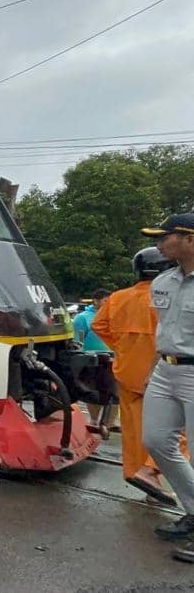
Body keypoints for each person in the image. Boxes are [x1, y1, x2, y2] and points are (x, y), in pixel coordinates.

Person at [92, 250, 181, 504]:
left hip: (126, 371)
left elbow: (98, 326)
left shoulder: (118, 297)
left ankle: (136, 475)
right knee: (178, 429)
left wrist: (121, 346)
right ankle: (150, 470)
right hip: (159, 373)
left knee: (133, 431)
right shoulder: (165, 296)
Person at [138, 214, 194, 562]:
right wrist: (152, 368)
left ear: (189, 238)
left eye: (165, 237)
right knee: (156, 440)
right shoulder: (162, 282)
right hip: (165, 370)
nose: (159, 243)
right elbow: (163, 333)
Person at [74, 289, 117, 434]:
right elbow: (77, 340)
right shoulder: (83, 318)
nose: (108, 304)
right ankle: (94, 420)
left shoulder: (115, 316)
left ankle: (109, 423)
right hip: (93, 359)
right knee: (94, 392)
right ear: (96, 301)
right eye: (106, 301)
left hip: (113, 358)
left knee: (114, 393)